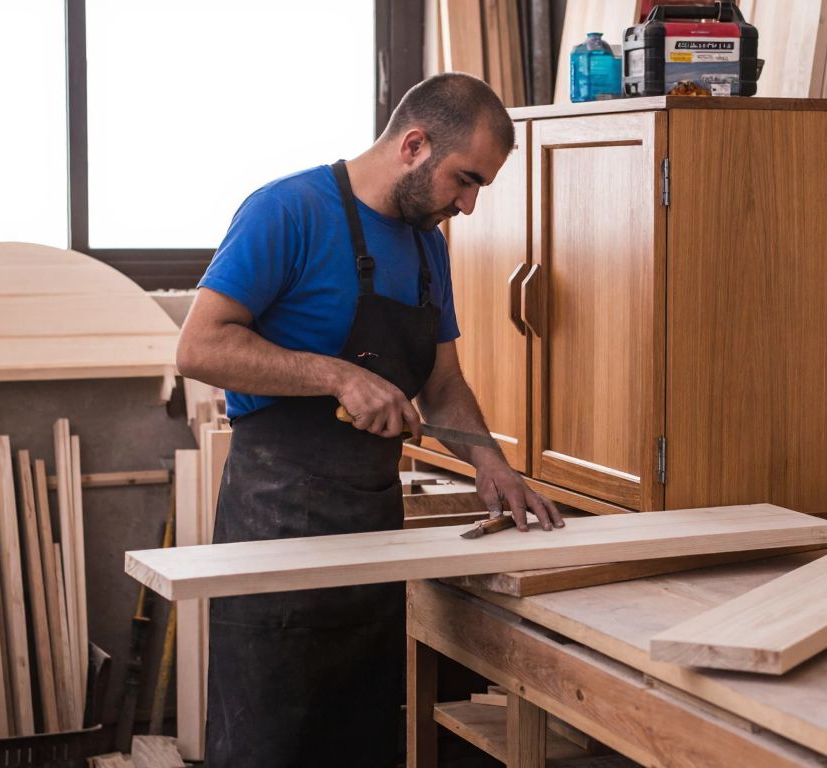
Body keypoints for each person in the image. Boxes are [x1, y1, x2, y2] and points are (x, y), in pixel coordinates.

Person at [176, 73, 565, 767]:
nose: (469, 206)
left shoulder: (427, 246)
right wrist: (338, 374)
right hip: (276, 532)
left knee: (360, 737)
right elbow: (199, 347)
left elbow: (443, 383)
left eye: (480, 190)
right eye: (464, 180)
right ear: (414, 144)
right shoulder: (285, 211)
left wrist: (491, 463)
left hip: (373, 534)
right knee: (273, 740)